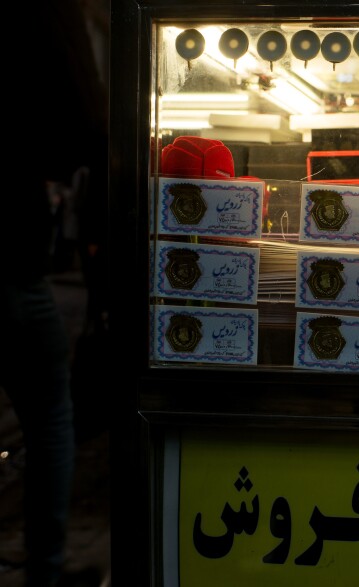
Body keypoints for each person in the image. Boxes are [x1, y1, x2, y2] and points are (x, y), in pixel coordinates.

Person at [1, 2, 109, 585]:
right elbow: (84, 125)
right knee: (48, 417)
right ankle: (45, 567)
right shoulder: (49, 16)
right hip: (10, 262)